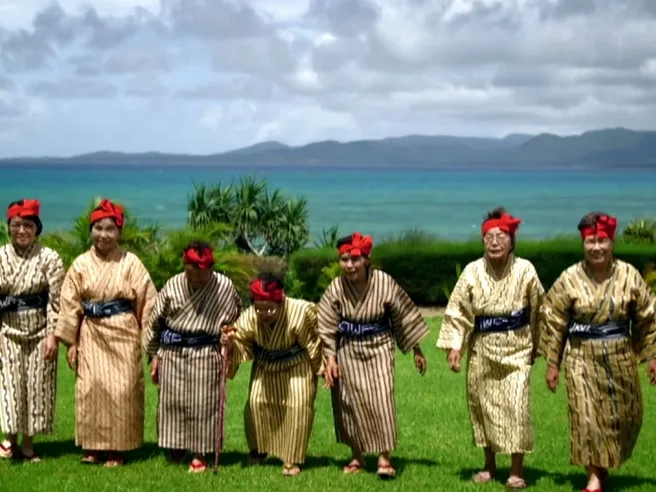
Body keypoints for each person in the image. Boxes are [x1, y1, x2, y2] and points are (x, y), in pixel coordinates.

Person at [540, 212, 656, 492]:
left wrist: (652, 356)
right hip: (580, 357)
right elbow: (553, 319)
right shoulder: (569, 278)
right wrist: (553, 363)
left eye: (602, 241)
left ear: (612, 243)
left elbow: (648, 317)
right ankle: (593, 479)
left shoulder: (629, 275)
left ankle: (602, 466)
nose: (596, 247)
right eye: (590, 242)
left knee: (625, 417)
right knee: (586, 417)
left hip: (620, 358)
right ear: (583, 244)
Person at [436, 208, 544, 489]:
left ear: (512, 241)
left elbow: (540, 310)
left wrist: (537, 345)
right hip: (482, 349)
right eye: (489, 237)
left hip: (517, 349)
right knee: (483, 408)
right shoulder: (472, 271)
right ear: (482, 240)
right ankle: (489, 465)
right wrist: (455, 346)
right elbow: (458, 311)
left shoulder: (525, 269)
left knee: (517, 408)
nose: (495, 242)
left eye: (501, 236)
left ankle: (516, 470)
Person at [54, 198, 157, 467]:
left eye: (110, 229)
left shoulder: (131, 262)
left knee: (122, 390)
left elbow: (148, 303)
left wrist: (151, 345)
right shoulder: (80, 264)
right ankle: (93, 447)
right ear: (91, 230)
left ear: (119, 232)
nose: (103, 235)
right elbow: (69, 304)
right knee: (91, 389)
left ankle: (117, 449)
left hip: (123, 332)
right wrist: (71, 342)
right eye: (98, 228)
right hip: (91, 332)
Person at [317, 232, 428, 479]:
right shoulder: (336, 287)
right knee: (348, 402)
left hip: (379, 345)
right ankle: (357, 456)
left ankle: (384, 458)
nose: (349, 265)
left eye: (355, 259)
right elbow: (326, 324)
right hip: (348, 348)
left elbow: (403, 316)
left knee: (381, 399)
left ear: (367, 259)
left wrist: (416, 349)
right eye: (344, 260)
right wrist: (330, 359)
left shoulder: (384, 282)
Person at [143, 241, 242, 473]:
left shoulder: (224, 286)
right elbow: (155, 322)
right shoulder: (173, 284)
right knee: (172, 403)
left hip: (206, 352)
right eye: (191, 273)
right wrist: (154, 355)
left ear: (211, 268)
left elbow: (237, 317)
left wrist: (229, 335)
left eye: (201, 275)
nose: (195, 278)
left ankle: (200, 453)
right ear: (185, 266)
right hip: (173, 352)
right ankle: (176, 447)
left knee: (204, 405)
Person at [225, 273, 323, 477]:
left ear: (281, 300)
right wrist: (230, 342)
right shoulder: (250, 316)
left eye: (269, 309)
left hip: (297, 365)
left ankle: (292, 459)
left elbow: (314, 342)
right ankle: (258, 450)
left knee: (298, 406)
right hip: (265, 365)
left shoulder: (301, 312)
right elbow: (241, 340)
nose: (264, 314)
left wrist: (321, 368)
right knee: (255, 403)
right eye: (259, 309)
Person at [0, 199, 65, 462]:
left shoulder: (49, 257)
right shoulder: (1, 256)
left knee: (37, 387)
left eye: (28, 225)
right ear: (9, 226)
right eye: (16, 225)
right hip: (8, 331)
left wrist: (52, 335)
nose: (22, 230)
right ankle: (9, 439)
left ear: (37, 228)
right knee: (10, 386)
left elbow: (56, 301)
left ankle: (28, 444)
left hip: (40, 332)